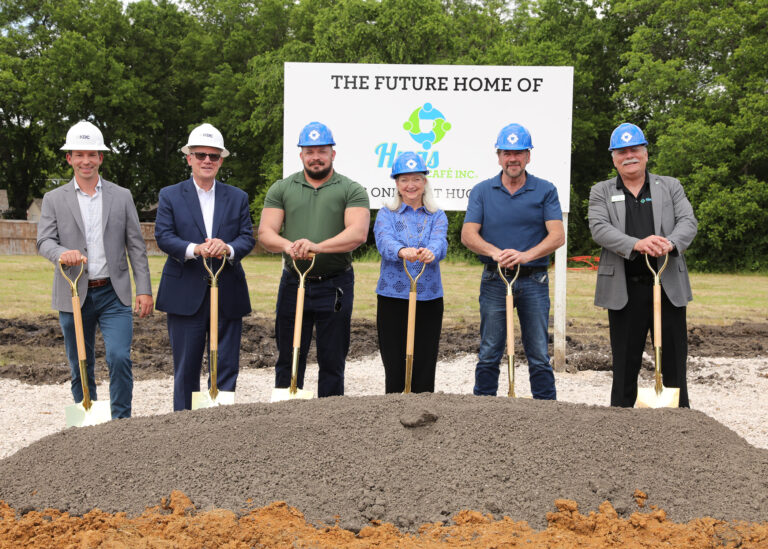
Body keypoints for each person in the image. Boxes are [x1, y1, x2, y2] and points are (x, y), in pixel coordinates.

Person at [37, 120, 153, 419]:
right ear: (69, 158)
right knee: (80, 361)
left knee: (118, 357)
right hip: (74, 293)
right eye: (79, 154)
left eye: (92, 154)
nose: (86, 161)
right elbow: (44, 241)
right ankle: (85, 422)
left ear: (101, 157)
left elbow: (136, 246)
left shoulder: (121, 196)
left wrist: (144, 290)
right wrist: (63, 253)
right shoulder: (54, 199)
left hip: (114, 293)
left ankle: (121, 423)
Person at [588, 123, 697, 407]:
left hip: (667, 286)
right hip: (624, 290)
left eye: (635, 149)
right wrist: (637, 244)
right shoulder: (601, 191)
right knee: (624, 365)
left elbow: (688, 222)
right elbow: (599, 228)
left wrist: (670, 243)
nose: (629, 156)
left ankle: (679, 424)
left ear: (646, 153)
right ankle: (621, 426)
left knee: (674, 362)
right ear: (613, 158)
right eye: (622, 151)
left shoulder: (670, 186)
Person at [258, 121, 370, 397]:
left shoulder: (351, 189)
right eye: (309, 151)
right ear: (301, 155)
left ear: (333, 153)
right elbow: (265, 233)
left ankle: (328, 421)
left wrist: (317, 247)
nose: (316, 157)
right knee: (289, 354)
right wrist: (290, 246)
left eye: (322, 150)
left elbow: (357, 233)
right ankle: (288, 415)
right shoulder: (282, 188)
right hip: (294, 282)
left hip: (336, 284)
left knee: (333, 357)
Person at [155, 123, 255, 411]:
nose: (207, 161)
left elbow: (247, 237)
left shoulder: (237, 197)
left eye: (213, 156)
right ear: (189, 158)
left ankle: (220, 426)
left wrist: (228, 248)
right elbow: (164, 235)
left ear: (221, 160)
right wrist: (195, 249)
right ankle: (184, 427)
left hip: (228, 290)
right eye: (201, 155)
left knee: (226, 365)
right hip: (185, 291)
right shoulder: (170, 195)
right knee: (186, 368)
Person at [461, 123, 565, 399]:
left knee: (539, 351)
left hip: (534, 279)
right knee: (489, 349)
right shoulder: (482, 191)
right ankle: (484, 407)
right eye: (507, 153)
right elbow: (468, 235)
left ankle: (545, 410)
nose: (513, 158)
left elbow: (557, 236)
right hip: (495, 279)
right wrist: (496, 253)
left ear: (528, 156)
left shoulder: (545, 190)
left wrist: (524, 256)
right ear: (498, 156)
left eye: (519, 152)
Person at [374, 152, 448, 393]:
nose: (411, 185)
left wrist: (431, 252)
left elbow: (440, 242)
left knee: (425, 359)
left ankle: (423, 410)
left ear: (424, 182)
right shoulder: (386, 213)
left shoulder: (437, 215)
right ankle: (394, 408)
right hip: (392, 297)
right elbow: (384, 241)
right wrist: (402, 250)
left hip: (428, 295)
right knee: (394, 359)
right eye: (404, 180)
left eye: (416, 179)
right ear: (396, 183)